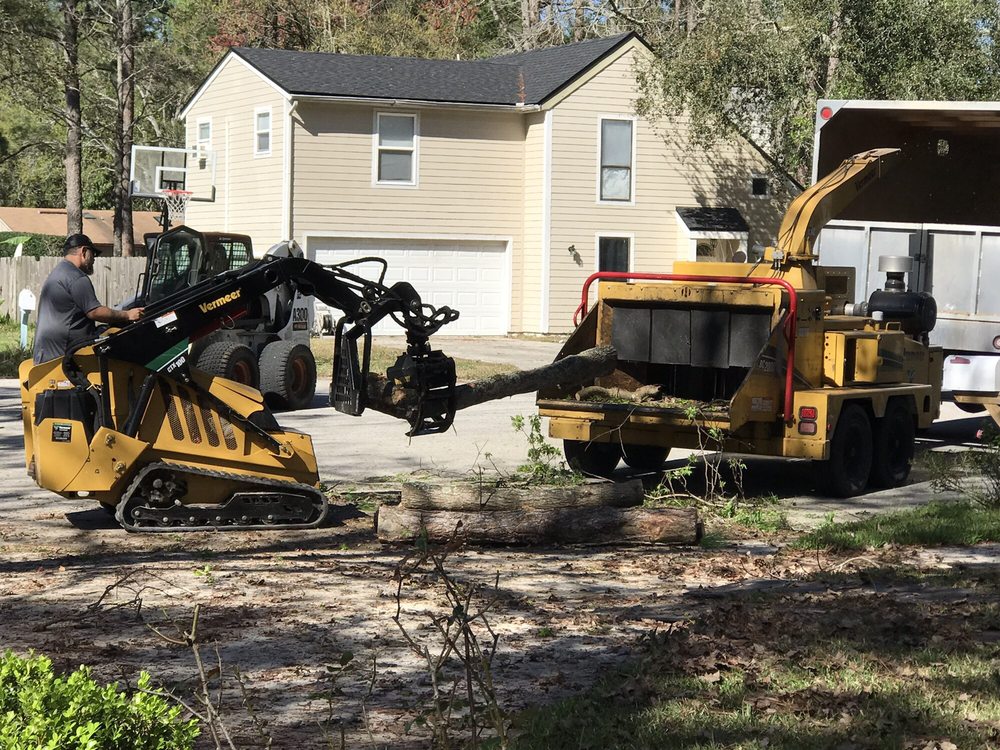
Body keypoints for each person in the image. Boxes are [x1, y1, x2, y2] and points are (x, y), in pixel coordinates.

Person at [32, 233, 144, 364]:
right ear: (84, 251)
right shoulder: (76, 277)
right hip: (64, 355)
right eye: (93, 255)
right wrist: (127, 315)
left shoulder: (59, 272)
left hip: (46, 352)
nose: (94, 260)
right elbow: (95, 312)